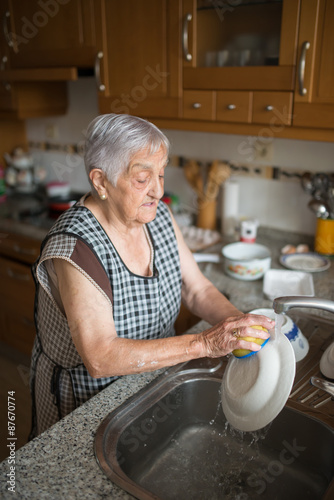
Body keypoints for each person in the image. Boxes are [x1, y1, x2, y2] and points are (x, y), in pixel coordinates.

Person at [30, 113, 273, 438]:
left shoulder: (157, 217)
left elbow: (197, 290)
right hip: (88, 403)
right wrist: (204, 344)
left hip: (154, 382)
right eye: (143, 179)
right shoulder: (76, 246)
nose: (158, 191)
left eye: (161, 174)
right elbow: (101, 357)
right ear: (101, 181)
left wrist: (240, 327)